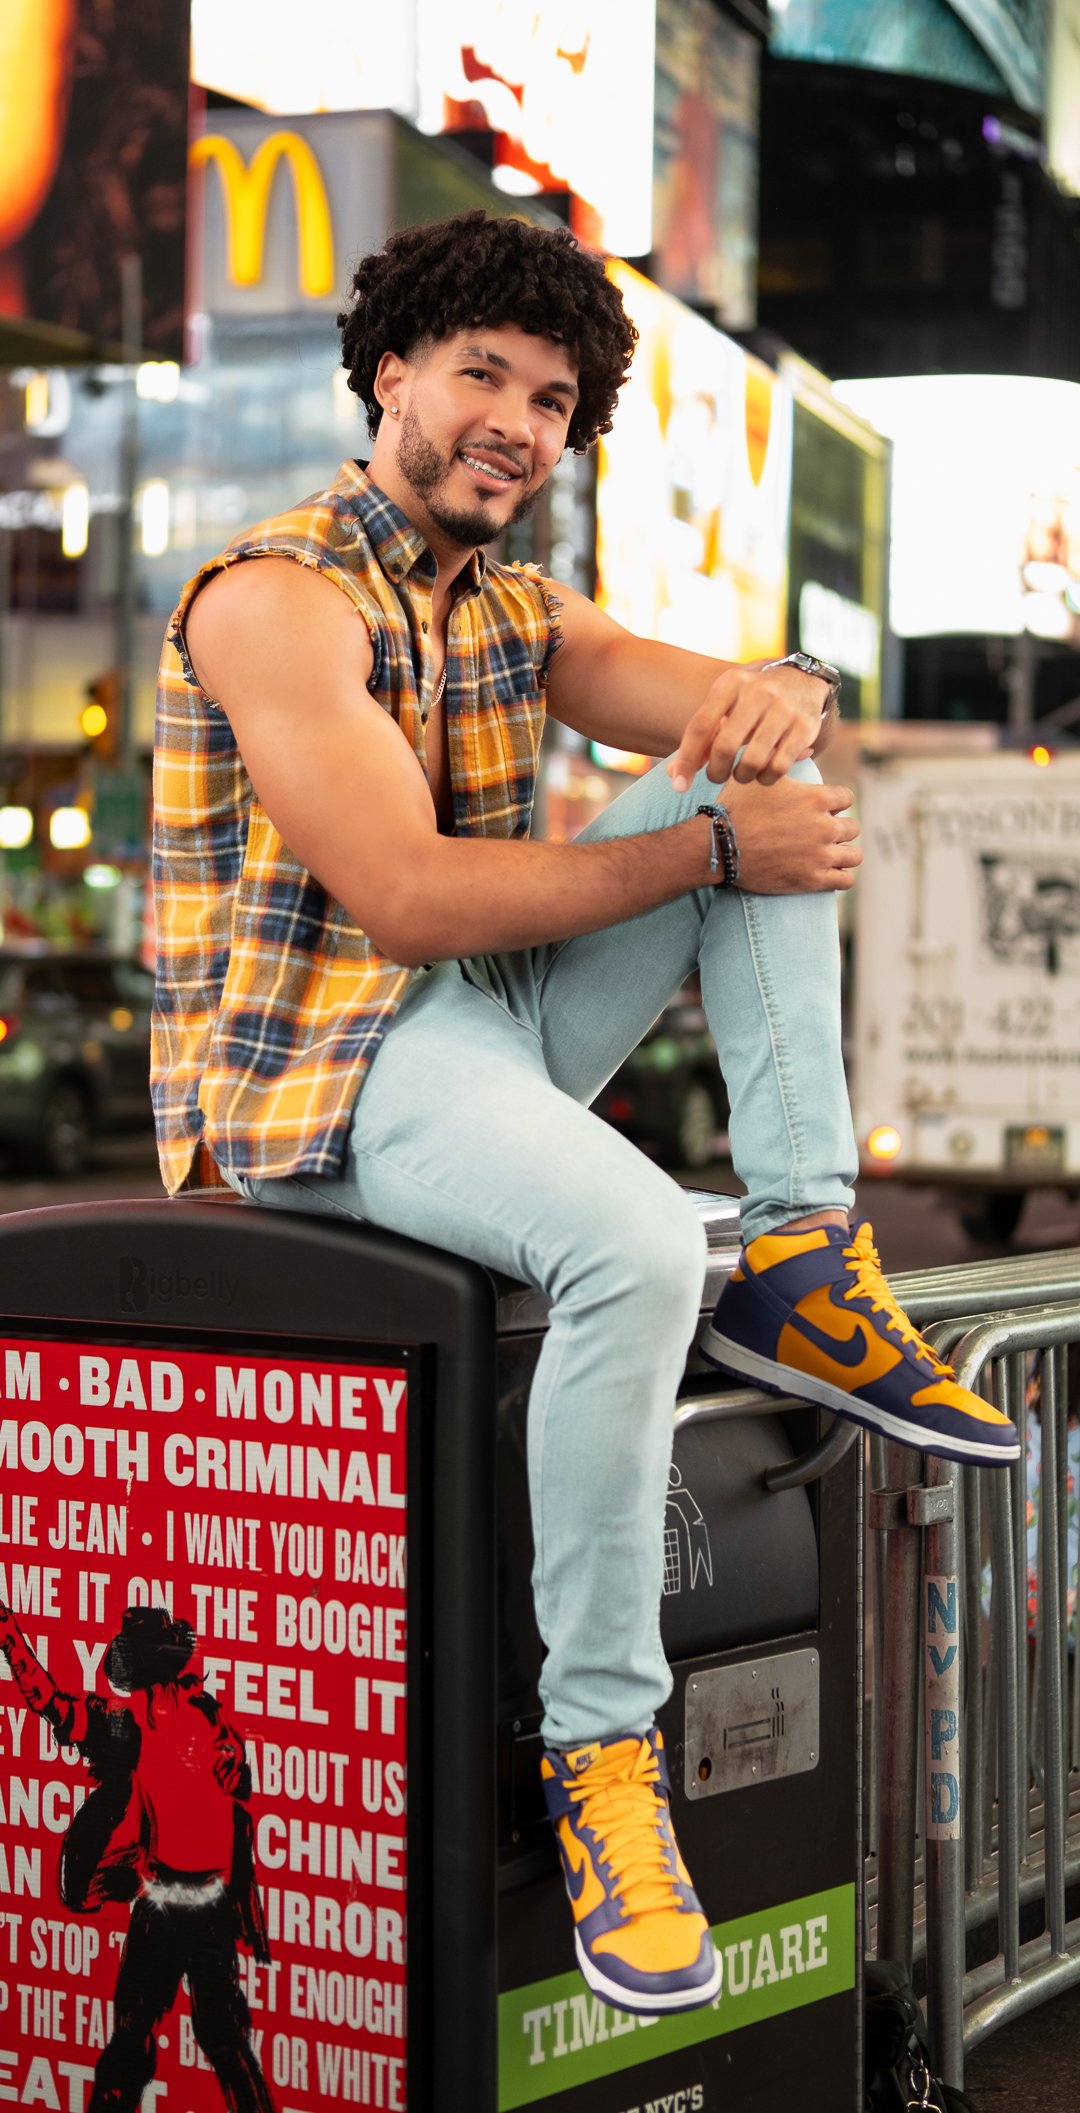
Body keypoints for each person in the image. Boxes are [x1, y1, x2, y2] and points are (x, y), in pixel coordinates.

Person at [152, 210, 1018, 2019]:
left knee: (760, 774)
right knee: (626, 1234)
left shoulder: (512, 606)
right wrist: (712, 833)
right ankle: (603, 1762)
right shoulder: (274, 595)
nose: (517, 423)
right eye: (481, 374)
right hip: (316, 1080)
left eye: (550, 397)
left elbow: (722, 713)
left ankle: (803, 1246)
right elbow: (398, 897)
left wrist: (784, 696)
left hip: (468, 1037)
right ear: (388, 374)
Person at [0, 1603, 274, 2113]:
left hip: (203, 1906)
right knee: (135, 2044)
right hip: (164, 1905)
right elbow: (52, 1703)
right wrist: (10, 1636)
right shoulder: (139, 1728)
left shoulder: (206, 1723)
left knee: (221, 2041)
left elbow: (52, 1703)